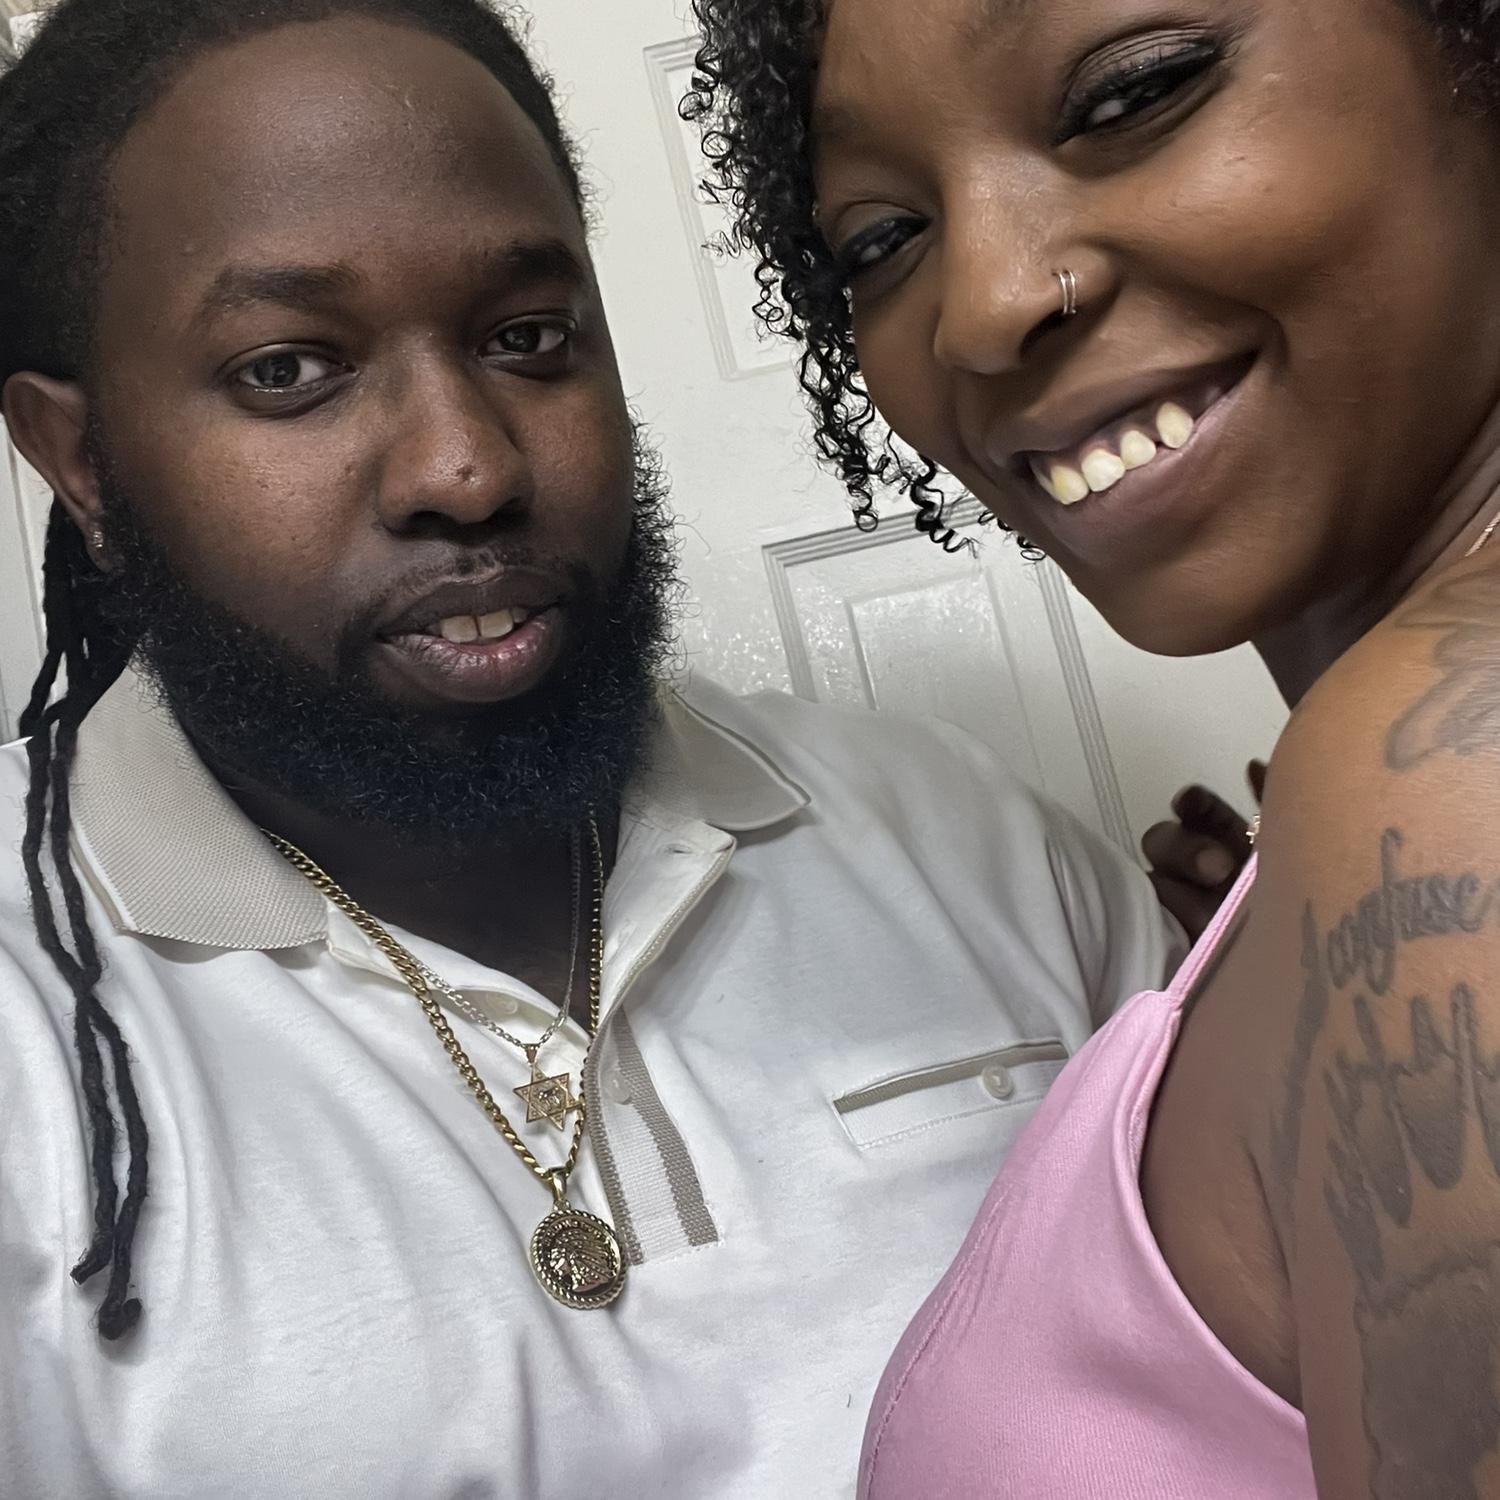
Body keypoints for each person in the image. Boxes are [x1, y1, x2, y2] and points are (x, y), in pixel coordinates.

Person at [0, 2, 1211, 1494]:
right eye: (289, 370)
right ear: (80, 462)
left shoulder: (969, 844)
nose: (465, 467)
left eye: (527, 339)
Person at [688, 0, 1500, 1495]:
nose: (982, 306)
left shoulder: (1445, 784)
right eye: (882, 238)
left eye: (1136, 92)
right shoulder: (1375, 827)